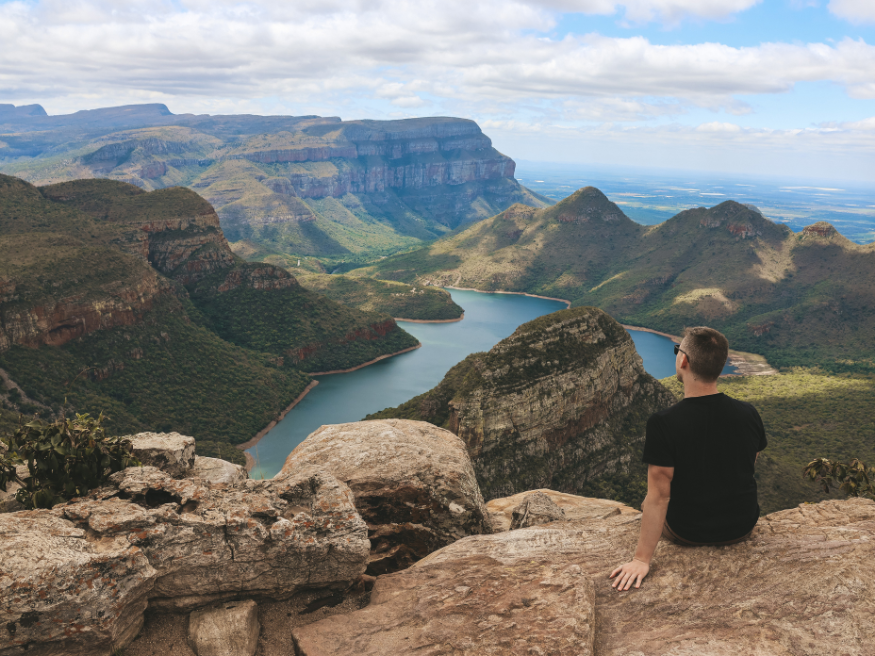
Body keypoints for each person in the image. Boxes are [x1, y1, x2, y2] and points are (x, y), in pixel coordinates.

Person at [609, 326, 767, 592]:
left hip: (688, 532)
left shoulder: (663, 423)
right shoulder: (748, 413)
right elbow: (746, 465)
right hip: (742, 526)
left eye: (677, 350)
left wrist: (641, 560)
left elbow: (659, 497)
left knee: (647, 499)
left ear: (683, 361)